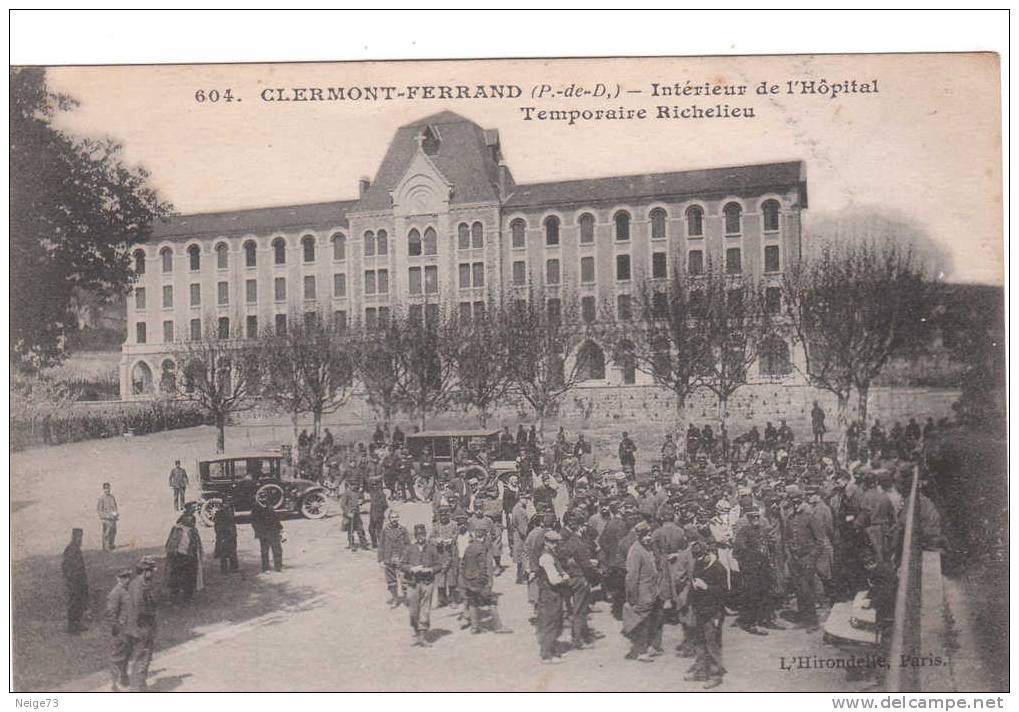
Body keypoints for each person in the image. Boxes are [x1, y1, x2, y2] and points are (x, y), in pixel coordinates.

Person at [687, 541, 728, 688]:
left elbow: (724, 592)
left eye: (699, 556)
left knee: (712, 644)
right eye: (695, 556)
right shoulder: (699, 563)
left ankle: (716, 675)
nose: (697, 560)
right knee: (699, 642)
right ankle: (700, 671)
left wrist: (707, 587)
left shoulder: (719, 568)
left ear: (707, 553)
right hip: (700, 610)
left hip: (713, 612)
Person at [460, 527, 512, 635]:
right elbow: (483, 568)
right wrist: (484, 582)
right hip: (478, 581)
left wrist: (466, 580)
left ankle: (474, 627)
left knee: (473, 602)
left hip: (468, 580)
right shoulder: (481, 549)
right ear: (483, 538)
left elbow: (463, 565)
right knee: (491, 601)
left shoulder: (469, 548)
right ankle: (498, 627)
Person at [623, 521, 661, 662]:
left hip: (652, 591)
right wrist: (632, 597)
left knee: (653, 620)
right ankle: (641, 651)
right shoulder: (636, 551)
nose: (649, 538)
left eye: (650, 535)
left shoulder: (647, 548)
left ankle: (651, 646)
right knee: (641, 623)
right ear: (639, 536)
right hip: (642, 593)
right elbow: (631, 577)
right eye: (646, 535)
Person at [732, 506, 773, 635]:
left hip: (764, 567)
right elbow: (739, 551)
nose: (755, 519)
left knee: (766, 592)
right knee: (752, 594)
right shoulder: (743, 532)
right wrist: (749, 563)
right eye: (752, 517)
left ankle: (766, 619)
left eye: (757, 516)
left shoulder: (762, 530)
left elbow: (768, 546)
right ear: (748, 518)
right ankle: (751, 623)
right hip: (751, 568)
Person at [122, 556, 158, 691]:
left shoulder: (137, 584)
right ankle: (138, 689)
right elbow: (138, 607)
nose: (153, 573)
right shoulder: (139, 586)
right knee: (142, 658)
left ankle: (140, 686)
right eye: (151, 570)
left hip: (139, 626)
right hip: (141, 627)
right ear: (145, 571)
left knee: (142, 658)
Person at [402, 524, 442, 647]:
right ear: (415, 536)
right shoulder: (409, 548)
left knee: (425, 610)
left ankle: (422, 636)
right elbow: (402, 564)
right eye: (418, 535)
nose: (421, 537)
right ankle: (416, 630)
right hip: (412, 583)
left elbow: (439, 565)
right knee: (413, 612)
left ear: (425, 535)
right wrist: (411, 569)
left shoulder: (431, 548)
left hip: (427, 582)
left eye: (423, 534)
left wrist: (430, 570)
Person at [534, 530, 569, 663]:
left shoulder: (551, 554)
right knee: (550, 623)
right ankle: (546, 654)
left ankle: (552, 649)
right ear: (546, 542)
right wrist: (564, 577)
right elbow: (554, 580)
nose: (556, 545)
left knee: (555, 621)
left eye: (556, 542)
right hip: (549, 593)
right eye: (553, 542)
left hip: (553, 593)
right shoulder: (547, 558)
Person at [105, 568, 134, 691]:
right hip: (121, 630)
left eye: (128, 577)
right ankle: (115, 684)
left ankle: (123, 679)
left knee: (126, 655)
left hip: (129, 628)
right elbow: (111, 614)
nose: (126, 580)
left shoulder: (128, 590)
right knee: (117, 657)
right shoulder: (115, 593)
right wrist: (117, 629)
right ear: (118, 578)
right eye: (123, 577)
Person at [164, 513, 204, 602]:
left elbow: (198, 544)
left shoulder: (193, 530)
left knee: (190, 577)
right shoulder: (177, 529)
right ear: (183, 519)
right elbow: (170, 542)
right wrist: (171, 552)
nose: (191, 521)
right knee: (176, 576)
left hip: (190, 556)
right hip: (178, 555)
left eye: (192, 520)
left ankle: (187, 596)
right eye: (188, 519)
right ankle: (174, 596)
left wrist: (199, 554)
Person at [379, 510, 411, 607]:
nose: (394, 520)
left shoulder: (403, 530)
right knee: (391, 581)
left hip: (401, 558)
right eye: (392, 517)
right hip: (389, 558)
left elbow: (408, 545)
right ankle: (395, 598)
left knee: (404, 580)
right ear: (389, 519)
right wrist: (380, 560)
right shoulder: (385, 530)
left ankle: (407, 599)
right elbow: (381, 545)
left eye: (396, 517)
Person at [62, 528, 89, 634]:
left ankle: (77, 623)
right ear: (73, 537)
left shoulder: (76, 548)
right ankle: (71, 626)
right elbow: (65, 567)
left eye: (81, 536)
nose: (80, 539)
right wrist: (71, 580)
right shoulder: (70, 549)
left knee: (80, 602)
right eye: (78, 537)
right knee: (74, 603)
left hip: (80, 580)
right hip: (74, 581)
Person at [251, 501, 284, 572]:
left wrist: (280, 529)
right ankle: (266, 568)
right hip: (264, 533)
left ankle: (278, 567)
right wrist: (258, 532)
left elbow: (276, 519)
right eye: (261, 497)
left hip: (274, 532)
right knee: (265, 551)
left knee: (277, 550)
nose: (263, 499)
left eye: (265, 497)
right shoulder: (256, 508)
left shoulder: (270, 506)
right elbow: (254, 522)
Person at [340, 483, 369, 551]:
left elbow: (362, 499)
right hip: (349, 515)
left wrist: (361, 501)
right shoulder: (346, 493)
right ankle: (351, 544)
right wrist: (348, 513)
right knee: (350, 530)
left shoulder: (358, 492)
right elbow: (342, 505)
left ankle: (363, 544)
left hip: (356, 513)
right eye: (353, 485)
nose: (355, 487)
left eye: (356, 485)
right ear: (349, 485)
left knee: (360, 529)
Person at [213, 499, 239, 573]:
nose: (227, 505)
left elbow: (233, 524)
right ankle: (224, 569)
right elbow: (217, 525)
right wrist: (219, 535)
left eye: (228, 503)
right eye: (226, 503)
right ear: (223, 504)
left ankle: (234, 568)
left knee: (233, 551)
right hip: (223, 535)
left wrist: (234, 533)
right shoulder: (219, 513)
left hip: (232, 535)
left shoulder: (231, 511)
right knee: (223, 553)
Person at [97, 482, 119, 551]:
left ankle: (111, 545)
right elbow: (99, 510)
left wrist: (115, 514)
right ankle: (106, 548)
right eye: (106, 488)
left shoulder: (112, 497)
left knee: (113, 531)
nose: (107, 490)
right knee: (106, 533)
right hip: (106, 519)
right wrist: (103, 517)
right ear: (103, 489)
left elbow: (115, 507)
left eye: (108, 488)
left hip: (113, 518)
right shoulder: (101, 498)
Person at [367, 478, 388, 548]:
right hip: (372, 514)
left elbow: (385, 505)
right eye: (373, 485)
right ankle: (375, 543)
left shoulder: (381, 494)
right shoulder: (372, 493)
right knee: (371, 529)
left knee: (378, 530)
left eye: (375, 485)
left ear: (378, 485)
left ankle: (381, 544)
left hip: (378, 515)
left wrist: (380, 512)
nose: (374, 486)